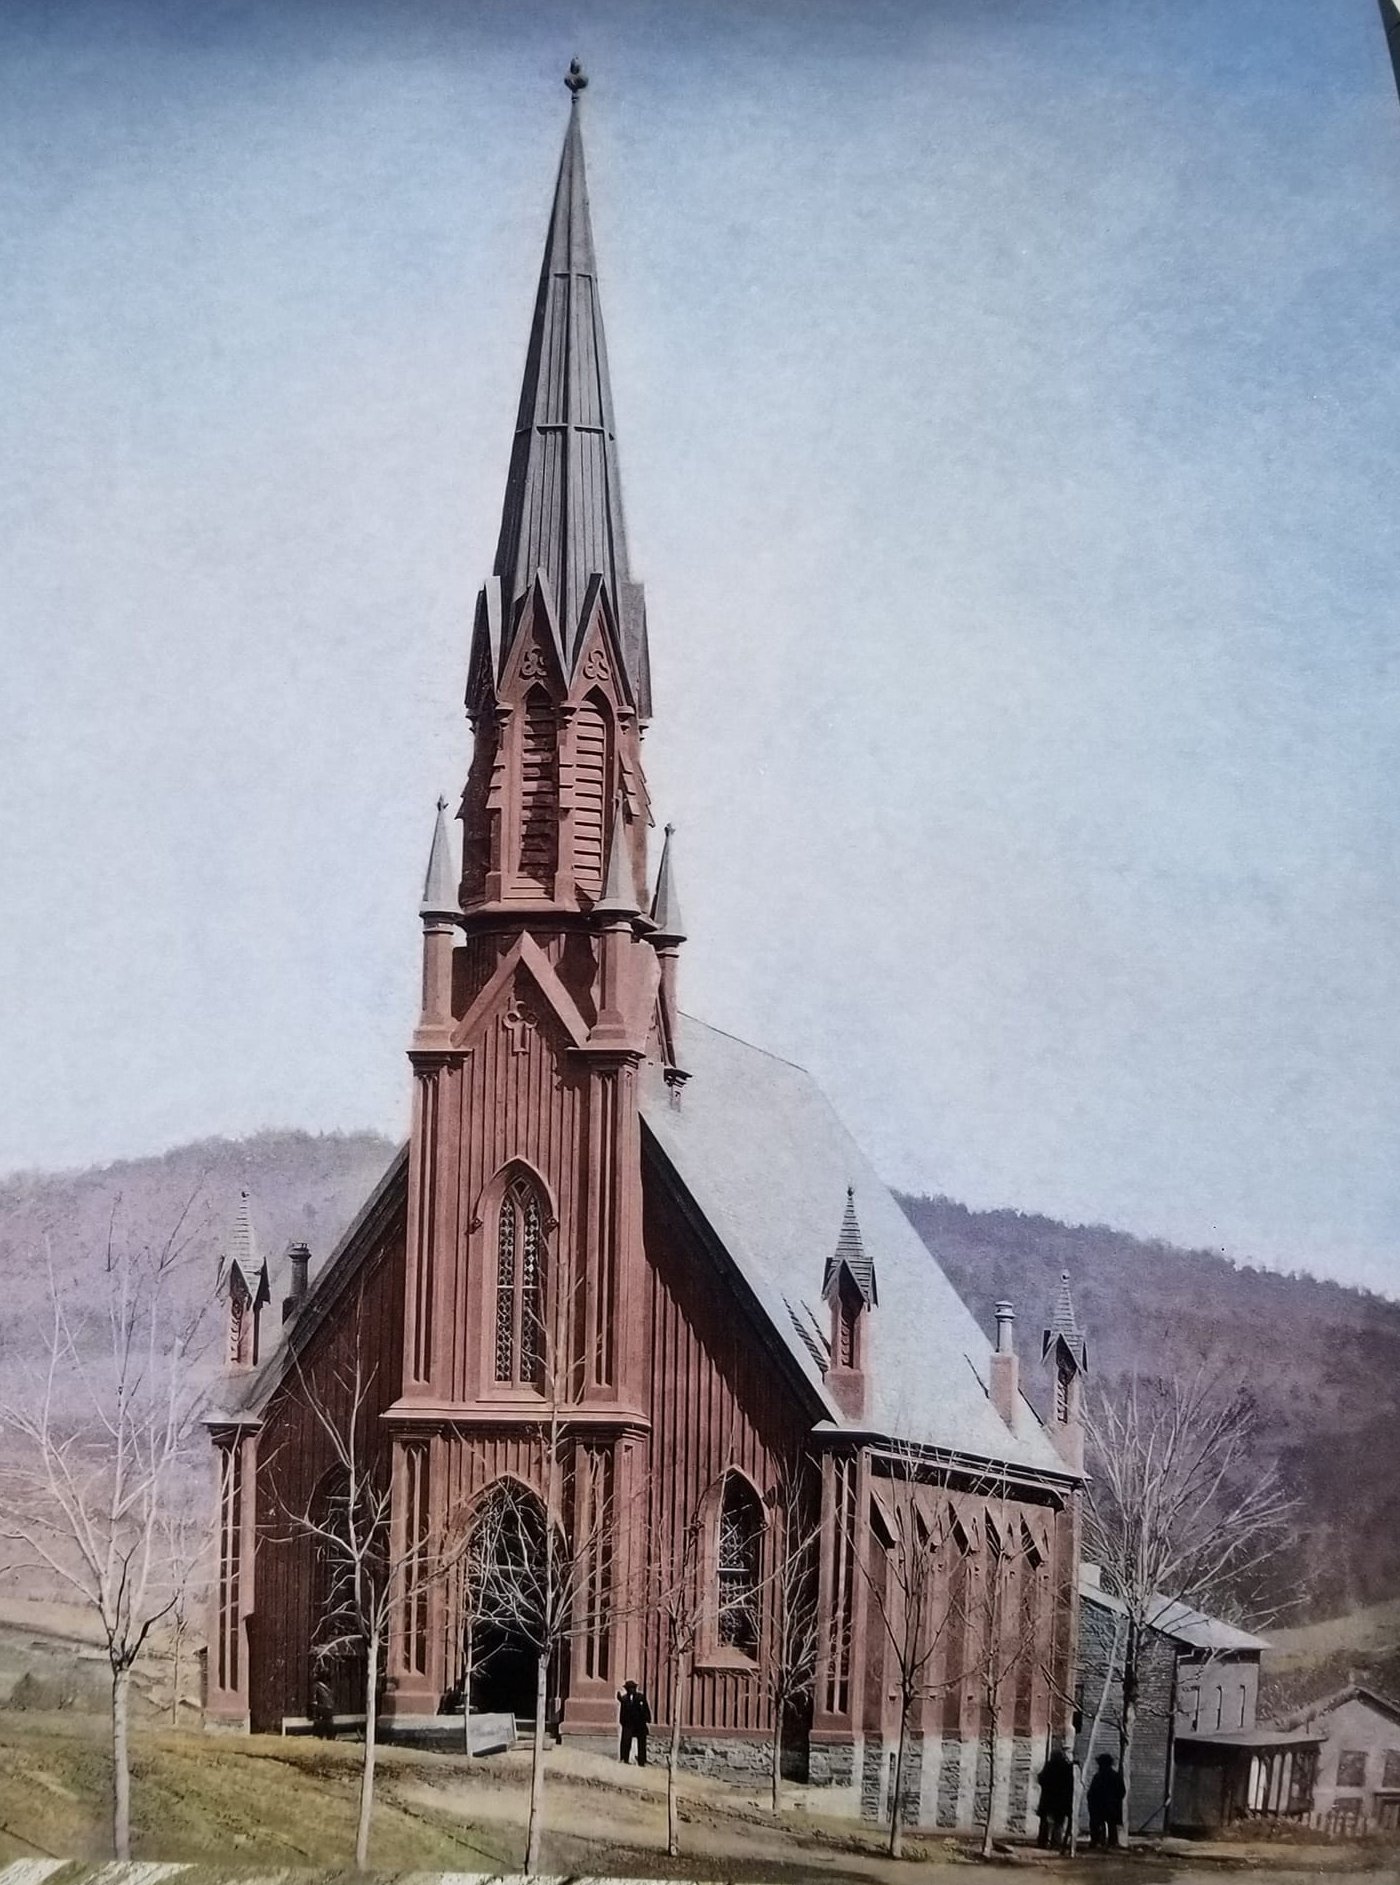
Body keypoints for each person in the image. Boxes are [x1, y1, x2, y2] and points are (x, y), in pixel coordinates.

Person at [1036, 1746, 1075, 1849]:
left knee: (1047, 1821)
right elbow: (1071, 1784)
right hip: (1060, 1800)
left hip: (1049, 1798)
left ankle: (1044, 1841)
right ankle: (1055, 1842)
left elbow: (1041, 1779)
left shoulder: (1049, 1766)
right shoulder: (1067, 1767)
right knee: (1058, 1822)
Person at [1086, 1752, 1126, 1849]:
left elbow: (1092, 1792)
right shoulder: (1116, 1776)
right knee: (1111, 1825)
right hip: (1111, 1805)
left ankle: (1096, 1841)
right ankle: (1111, 1842)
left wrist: (1091, 1802)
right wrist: (1116, 1800)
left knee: (1096, 1824)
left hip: (1099, 1806)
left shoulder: (1098, 1777)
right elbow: (1122, 1791)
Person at [617, 1679, 651, 1766]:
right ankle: (624, 1758)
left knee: (642, 1743)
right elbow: (622, 1712)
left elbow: (645, 1708)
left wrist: (647, 1719)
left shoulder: (640, 1697)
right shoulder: (624, 1699)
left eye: (633, 1688)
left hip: (639, 1724)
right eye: (629, 1688)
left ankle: (642, 1761)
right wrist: (623, 1722)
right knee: (625, 1741)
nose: (631, 1690)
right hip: (628, 1724)